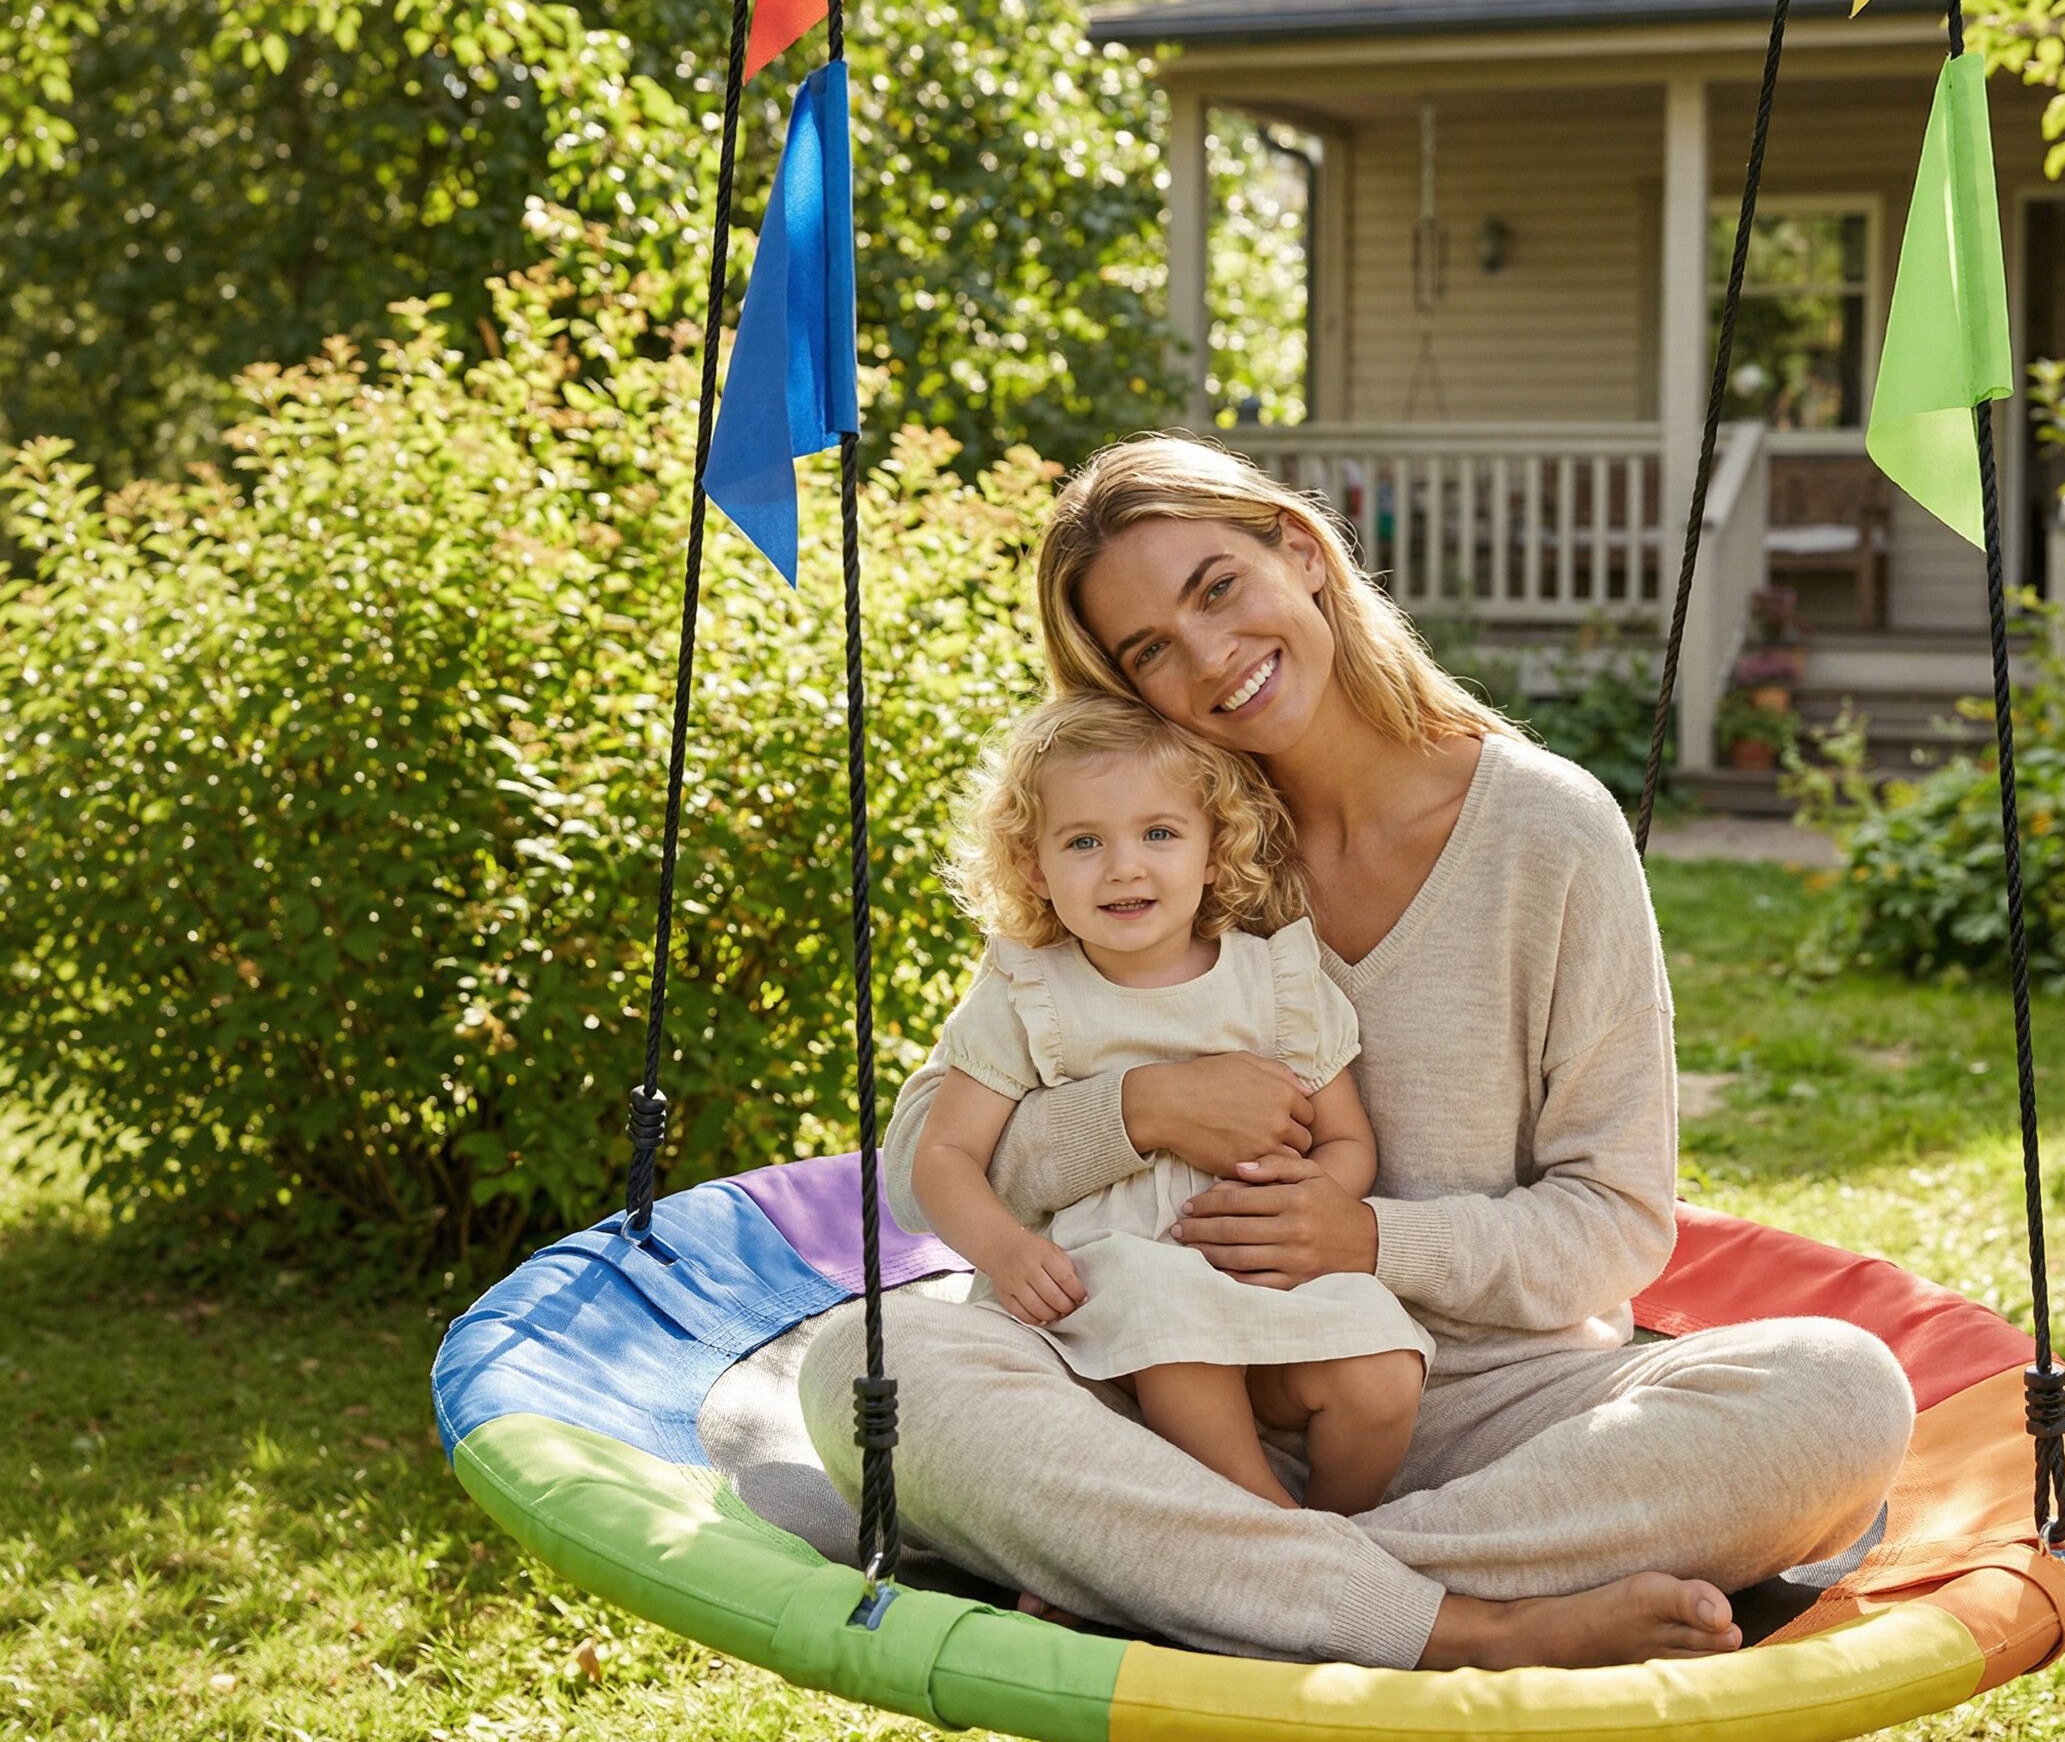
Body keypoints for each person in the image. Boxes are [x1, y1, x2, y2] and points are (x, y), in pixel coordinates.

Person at [804, 433, 1914, 1670]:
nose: (1208, 656)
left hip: (1474, 1414)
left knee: (1839, 1391)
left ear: (1301, 550)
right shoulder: (1141, 838)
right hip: (1148, 1389)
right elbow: (925, 1165)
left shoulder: (1547, 832)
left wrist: (1372, 1240)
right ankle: (1467, 1623)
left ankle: (1205, 1577)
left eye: (1217, 587)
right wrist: (1142, 1109)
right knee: (868, 1368)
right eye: (1150, 650)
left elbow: (1615, 1222)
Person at [907, 691, 1430, 1515]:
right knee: (1167, 1306)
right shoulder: (1030, 994)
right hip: (1104, 1298)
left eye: (1159, 833)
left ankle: (1341, 1526)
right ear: (1035, 868)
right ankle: (1272, 1532)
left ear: (1214, 853)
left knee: (1383, 1364)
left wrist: (1306, 1205)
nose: (1124, 867)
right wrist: (1006, 1252)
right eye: (1084, 842)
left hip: (1256, 1269)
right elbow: (943, 1156)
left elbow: (1346, 1141)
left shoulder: (1278, 983)